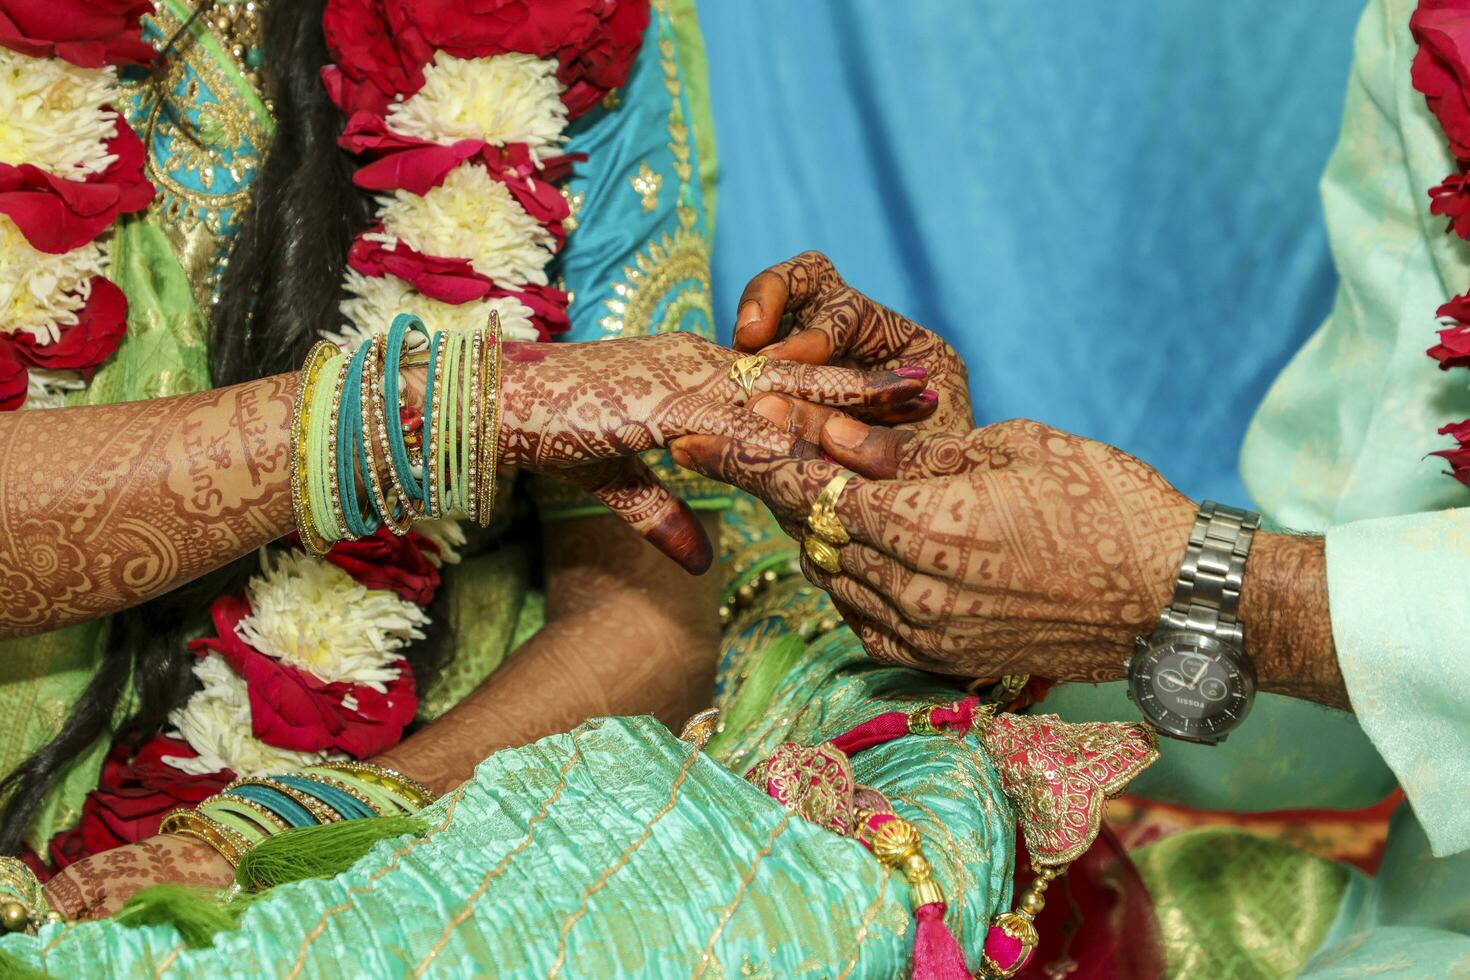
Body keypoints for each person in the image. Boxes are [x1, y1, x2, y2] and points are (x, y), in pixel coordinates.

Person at [0, 1, 1159, 977]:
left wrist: (296, 819)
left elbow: (647, 612)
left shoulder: (558, 26)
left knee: (836, 865)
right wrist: (459, 408)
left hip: (436, 720)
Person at [670, 0, 1470, 970]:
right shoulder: (1428, 35)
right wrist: (987, 558)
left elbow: (1286, 598)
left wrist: (1198, 581)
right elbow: (1359, 607)